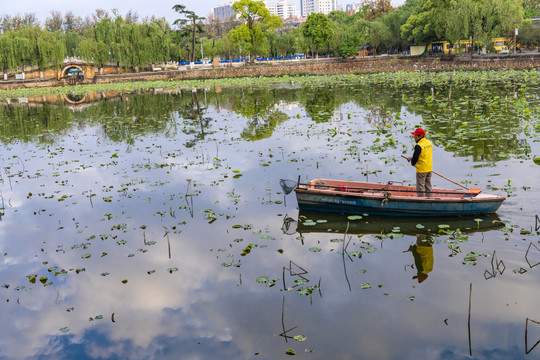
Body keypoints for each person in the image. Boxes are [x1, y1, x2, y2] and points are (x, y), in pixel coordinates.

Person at [406, 128, 433, 197]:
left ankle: (422, 202)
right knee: (428, 186)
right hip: (429, 168)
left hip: (421, 170)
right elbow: (423, 155)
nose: (414, 137)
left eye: (415, 135)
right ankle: (429, 199)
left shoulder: (418, 146)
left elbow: (415, 158)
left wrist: (412, 163)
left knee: (420, 187)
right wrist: (412, 159)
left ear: (420, 136)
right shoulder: (429, 143)